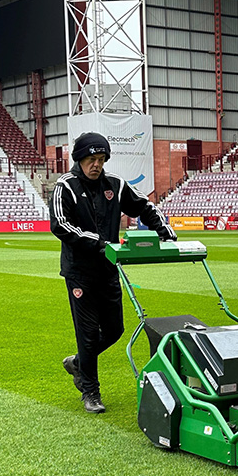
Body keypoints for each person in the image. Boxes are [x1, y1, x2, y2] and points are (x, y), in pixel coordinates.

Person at [49, 131, 176, 413]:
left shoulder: (116, 186)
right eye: (91, 159)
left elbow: (144, 205)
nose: (96, 164)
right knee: (87, 334)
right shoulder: (65, 187)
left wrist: (163, 229)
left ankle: (79, 363)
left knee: (115, 329)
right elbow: (60, 225)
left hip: (109, 269)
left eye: (101, 159)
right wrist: (99, 242)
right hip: (79, 273)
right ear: (79, 159)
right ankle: (90, 392)